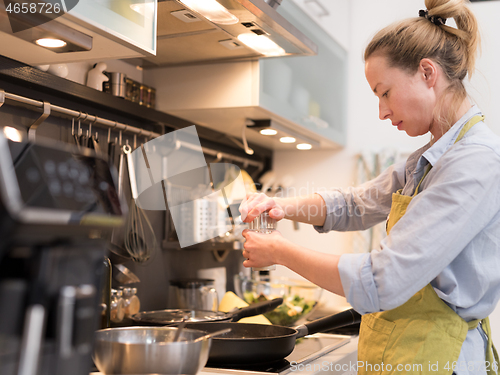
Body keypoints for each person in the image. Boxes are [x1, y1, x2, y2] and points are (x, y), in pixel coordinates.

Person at [239, 1, 500, 374]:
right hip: (412, 353)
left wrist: (280, 251)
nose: (381, 111)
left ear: (427, 73)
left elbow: (385, 280)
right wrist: (280, 206)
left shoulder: (474, 162)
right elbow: (354, 205)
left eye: (385, 92)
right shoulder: (430, 159)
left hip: (443, 359)